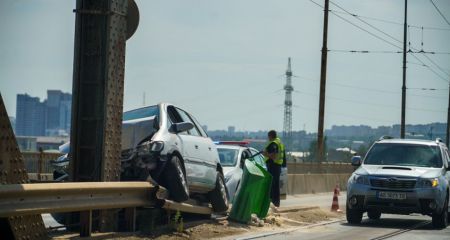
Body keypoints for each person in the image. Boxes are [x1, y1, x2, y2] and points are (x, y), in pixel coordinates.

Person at [263, 130, 285, 209]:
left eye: (268, 136)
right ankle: (276, 203)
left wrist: (266, 154)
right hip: (277, 166)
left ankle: (273, 203)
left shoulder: (274, 143)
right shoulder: (279, 142)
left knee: (272, 185)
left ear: (270, 136)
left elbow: (273, 156)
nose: (268, 138)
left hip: (273, 165)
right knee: (275, 185)